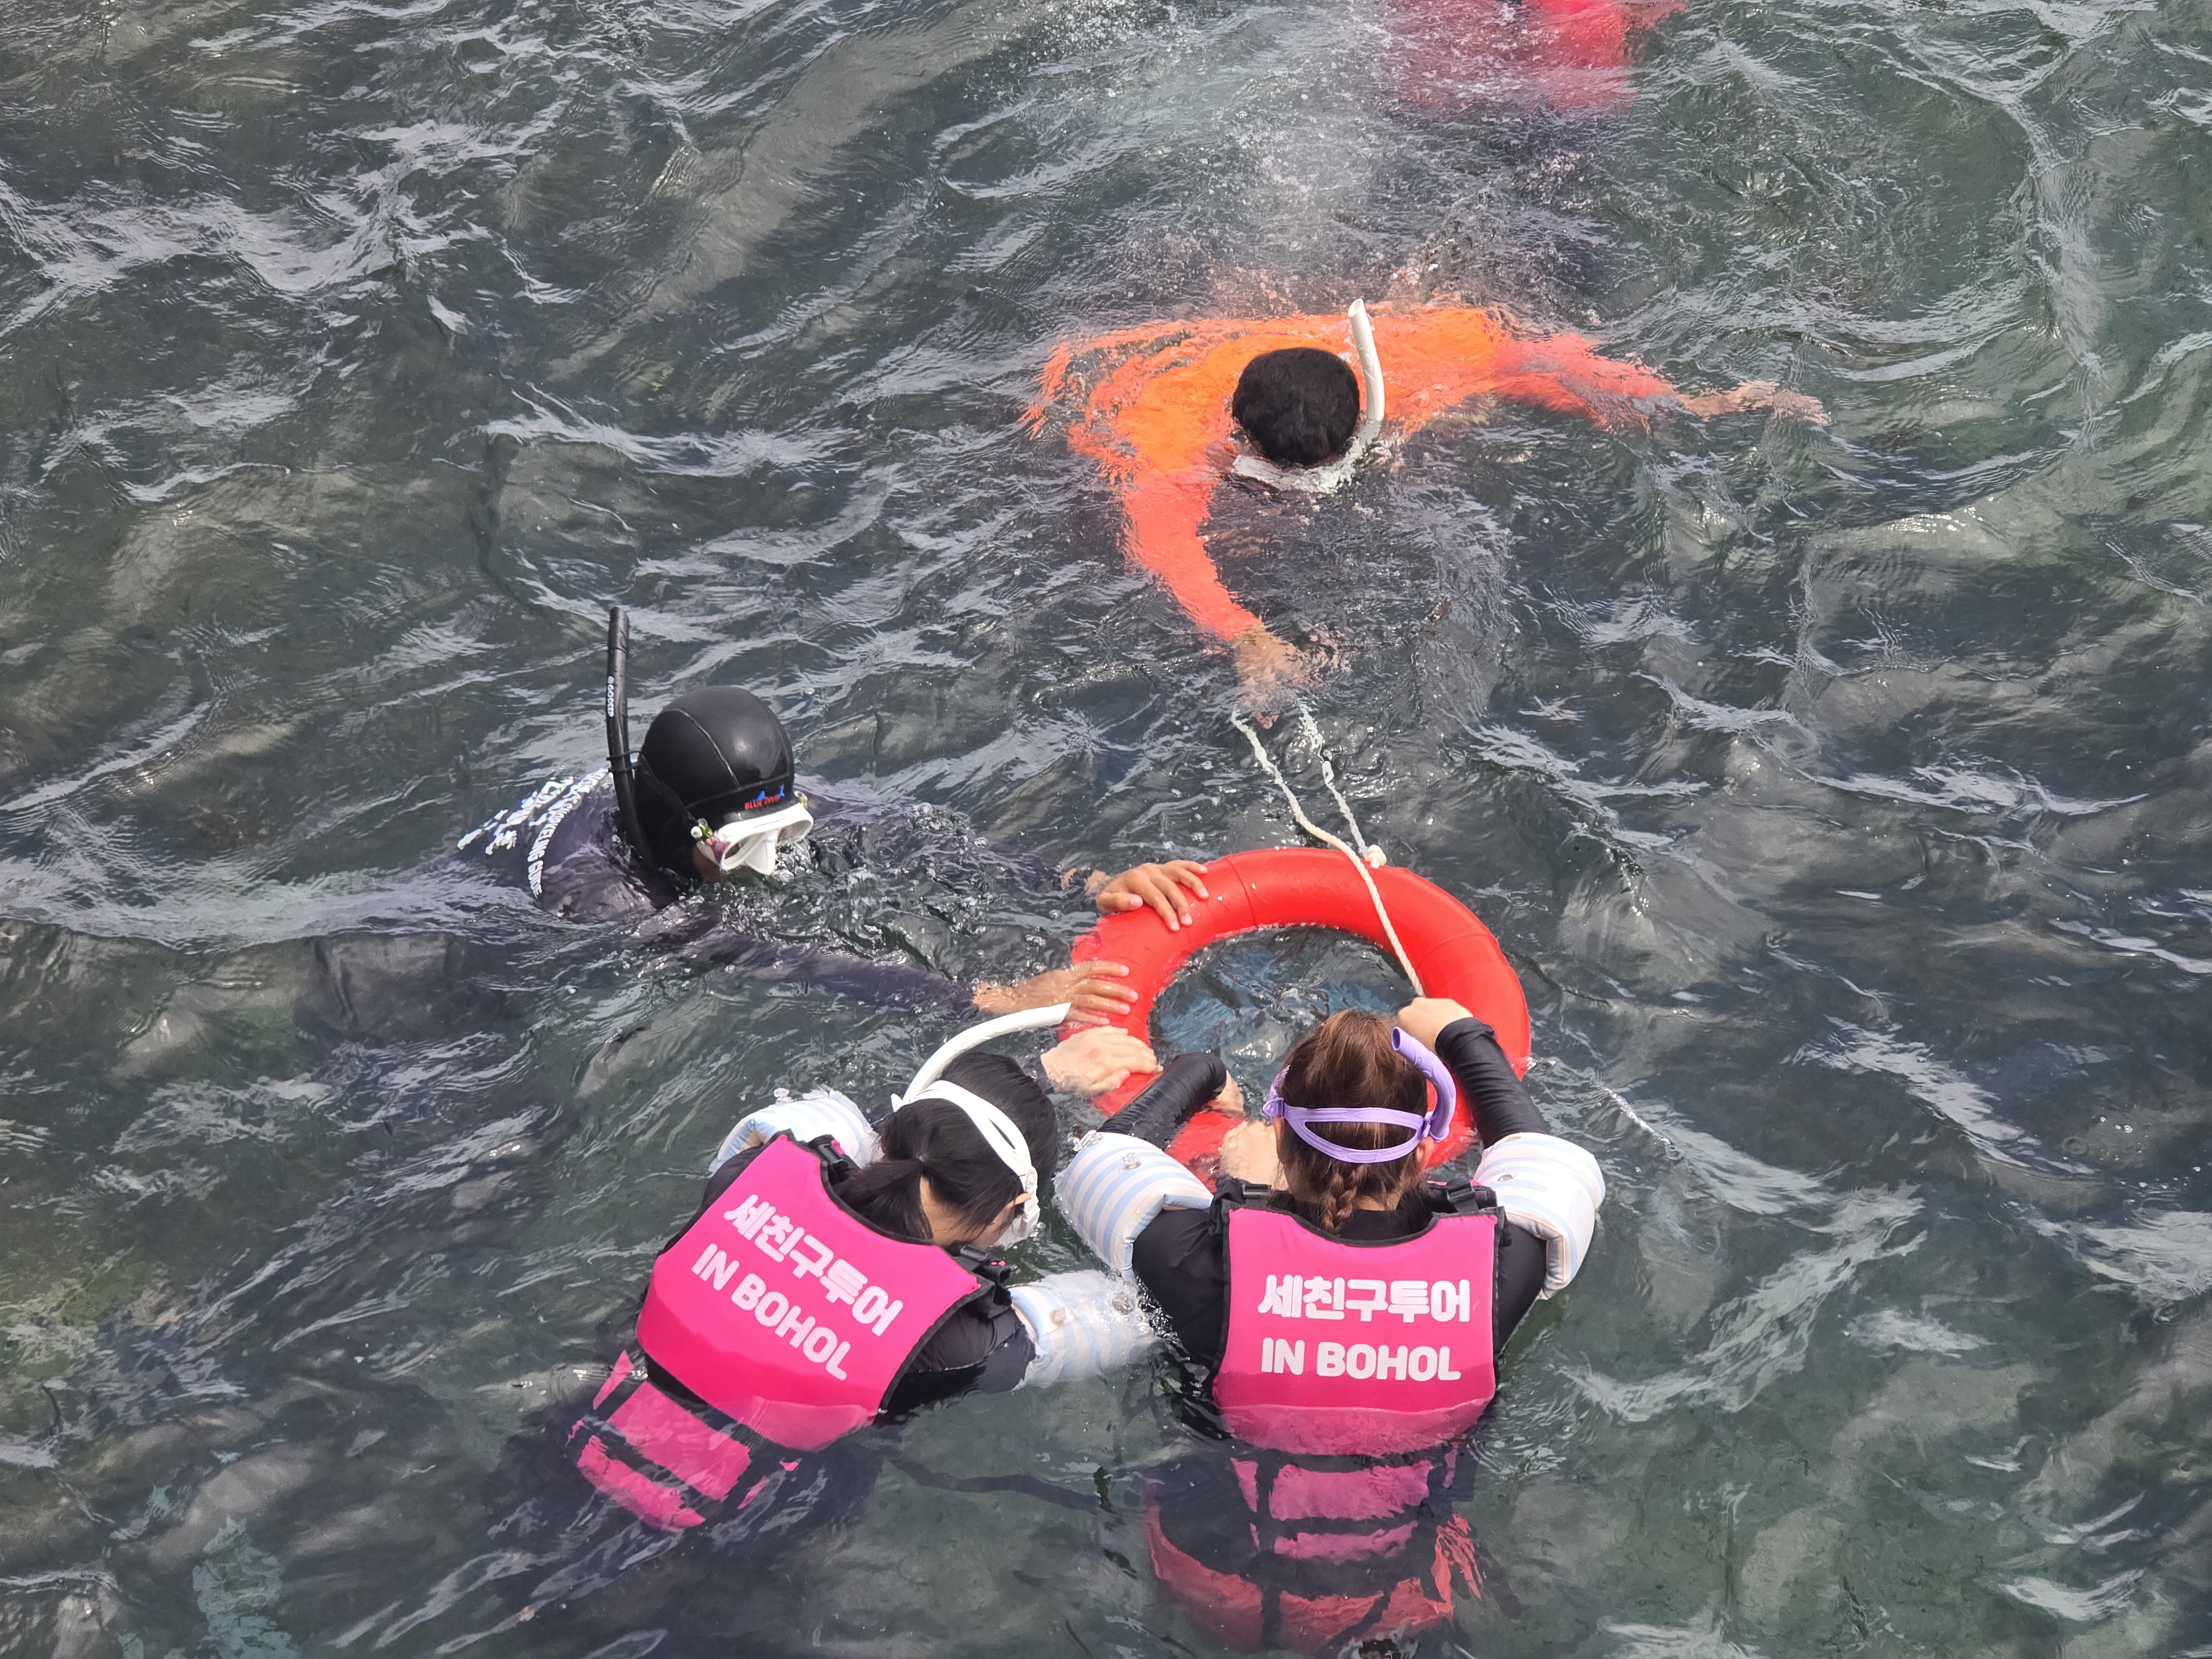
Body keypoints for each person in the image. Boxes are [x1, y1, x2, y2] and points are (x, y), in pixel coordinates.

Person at [1054, 998, 1606, 1653]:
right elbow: (1548, 1162)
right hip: (1399, 1589)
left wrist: (1204, 1077)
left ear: (1281, 1138)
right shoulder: (1498, 1266)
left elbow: (1093, 1167)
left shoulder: (1200, 1260)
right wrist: (1461, 1036)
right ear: (1425, 1149)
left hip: (1212, 1578)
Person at [537, 1023, 1229, 1542]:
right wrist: (1198, 1086)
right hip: (716, 1538)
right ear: (1010, 1217)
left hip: (564, 1445)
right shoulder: (954, 1342)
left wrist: (1035, 1077)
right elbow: (1155, 1302)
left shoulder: (747, 1174)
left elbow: (853, 1147)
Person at [1031, 303, 1823, 691]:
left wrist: (1689, 404)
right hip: (1129, 409)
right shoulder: (1161, 433)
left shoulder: (1418, 358)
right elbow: (1164, 546)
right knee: (1175, 536)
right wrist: (1244, 636)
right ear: (1235, 432)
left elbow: (1538, 362)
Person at [458, 628, 1213, 1017]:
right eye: (749, 847)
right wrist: (991, 998)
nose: (774, 861)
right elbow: (783, 960)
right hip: (477, 955)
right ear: (676, 831)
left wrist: (1080, 884)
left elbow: (901, 836)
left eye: (784, 831)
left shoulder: (712, 795)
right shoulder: (602, 896)